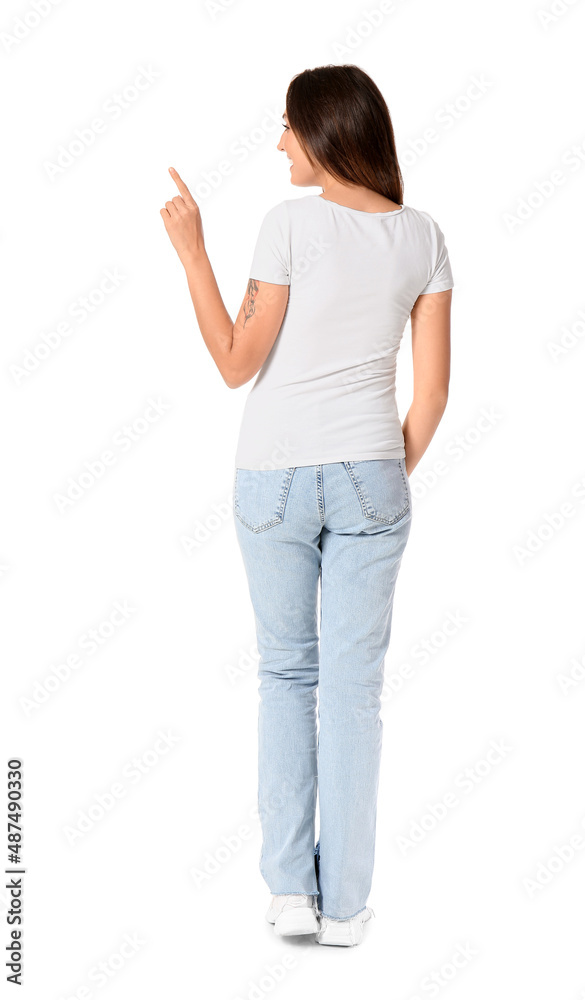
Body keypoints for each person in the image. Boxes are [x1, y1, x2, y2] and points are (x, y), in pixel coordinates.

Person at [160, 63, 454, 947]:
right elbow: (431, 398)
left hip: (274, 476)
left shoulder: (287, 224)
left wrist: (191, 253)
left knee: (288, 676)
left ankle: (290, 891)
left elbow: (233, 361)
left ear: (324, 132)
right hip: (372, 473)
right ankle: (346, 909)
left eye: (287, 127)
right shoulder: (424, 236)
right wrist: (376, 483)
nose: (279, 143)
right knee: (353, 695)